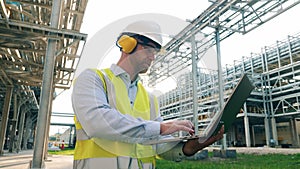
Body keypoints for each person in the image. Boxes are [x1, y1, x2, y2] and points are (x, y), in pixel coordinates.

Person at [72, 20, 224, 169]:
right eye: (149, 50)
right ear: (127, 44)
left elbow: (158, 145)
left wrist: (188, 148)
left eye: (155, 52)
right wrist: (161, 128)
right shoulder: (93, 79)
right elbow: (97, 123)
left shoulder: (150, 99)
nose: (153, 57)